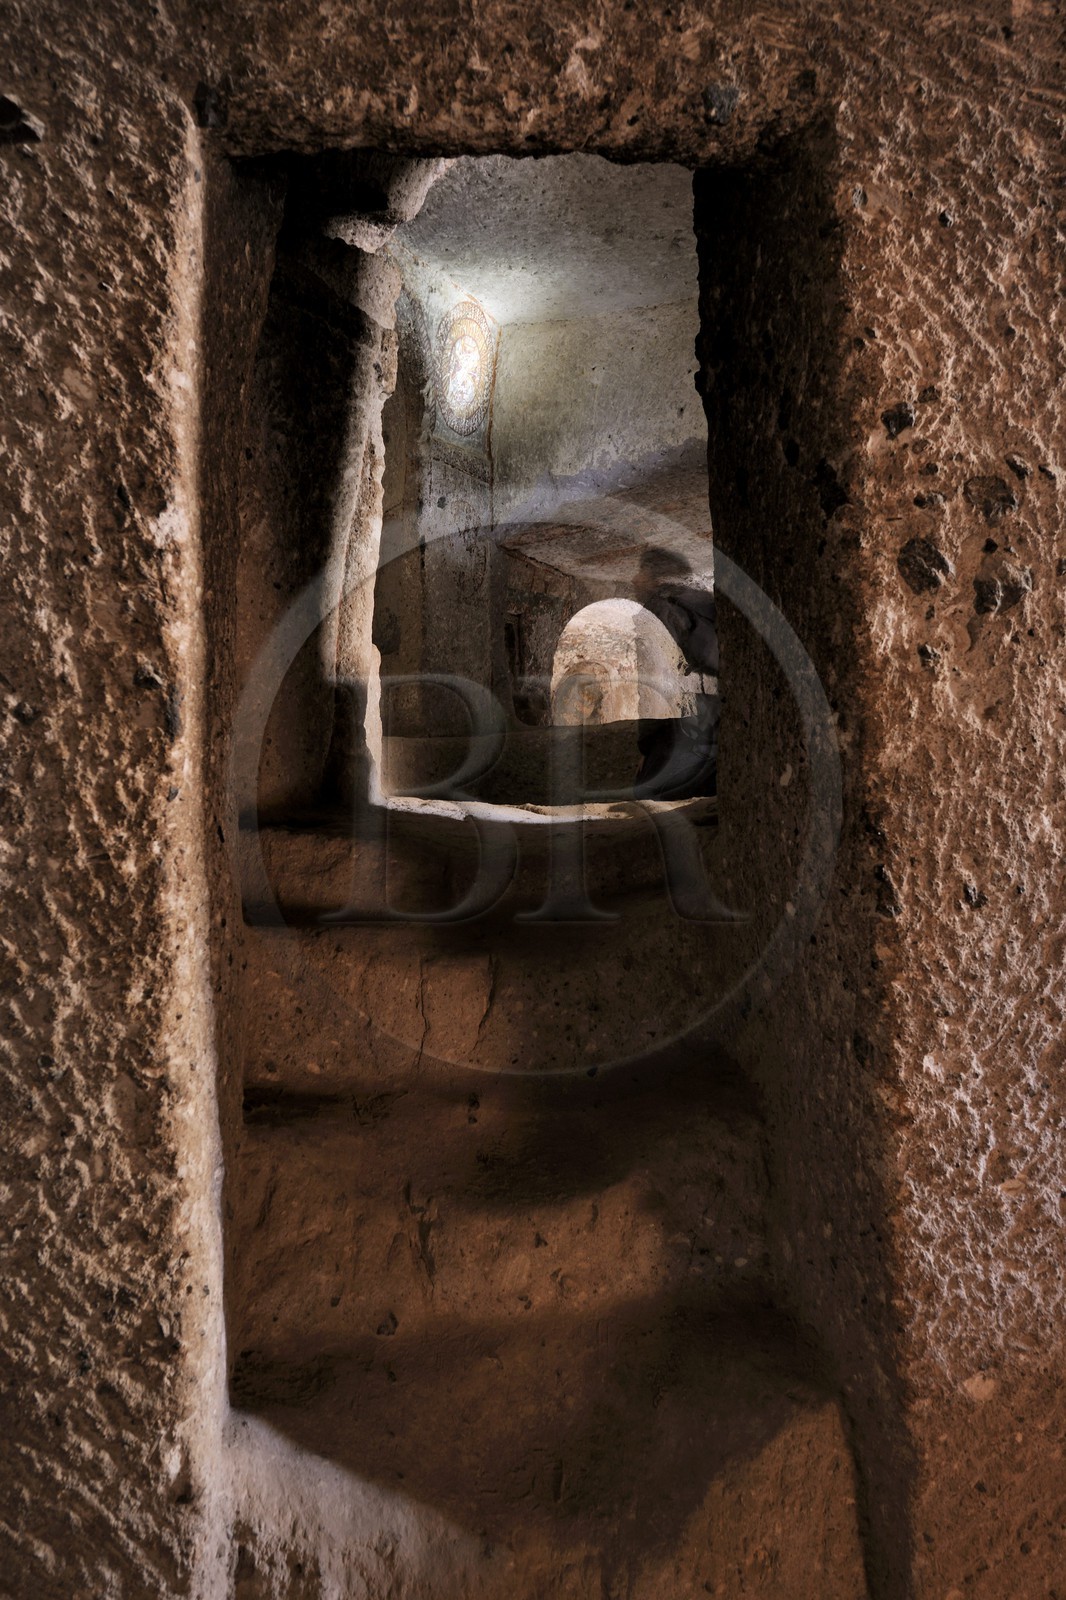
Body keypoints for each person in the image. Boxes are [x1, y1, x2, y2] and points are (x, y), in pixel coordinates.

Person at [631, 545, 719, 800]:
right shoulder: (708, 603)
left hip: (680, 731)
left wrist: (647, 748)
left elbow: (653, 684)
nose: (634, 579)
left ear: (658, 576)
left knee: (650, 801)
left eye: (641, 571)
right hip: (715, 724)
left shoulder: (656, 610)